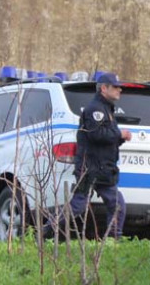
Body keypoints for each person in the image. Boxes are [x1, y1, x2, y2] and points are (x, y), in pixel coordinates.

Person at [48, 72, 131, 240]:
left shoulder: (106, 109)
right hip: (90, 170)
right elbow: (96, 134)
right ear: (104, 88)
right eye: (115, 87)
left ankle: (113, 241)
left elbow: (105, 140)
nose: (119, 90)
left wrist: (120, 138)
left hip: (103, 170)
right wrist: (118, 133)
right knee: (78, 207)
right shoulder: (95, 110)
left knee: (117, 205)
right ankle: (45, 233)